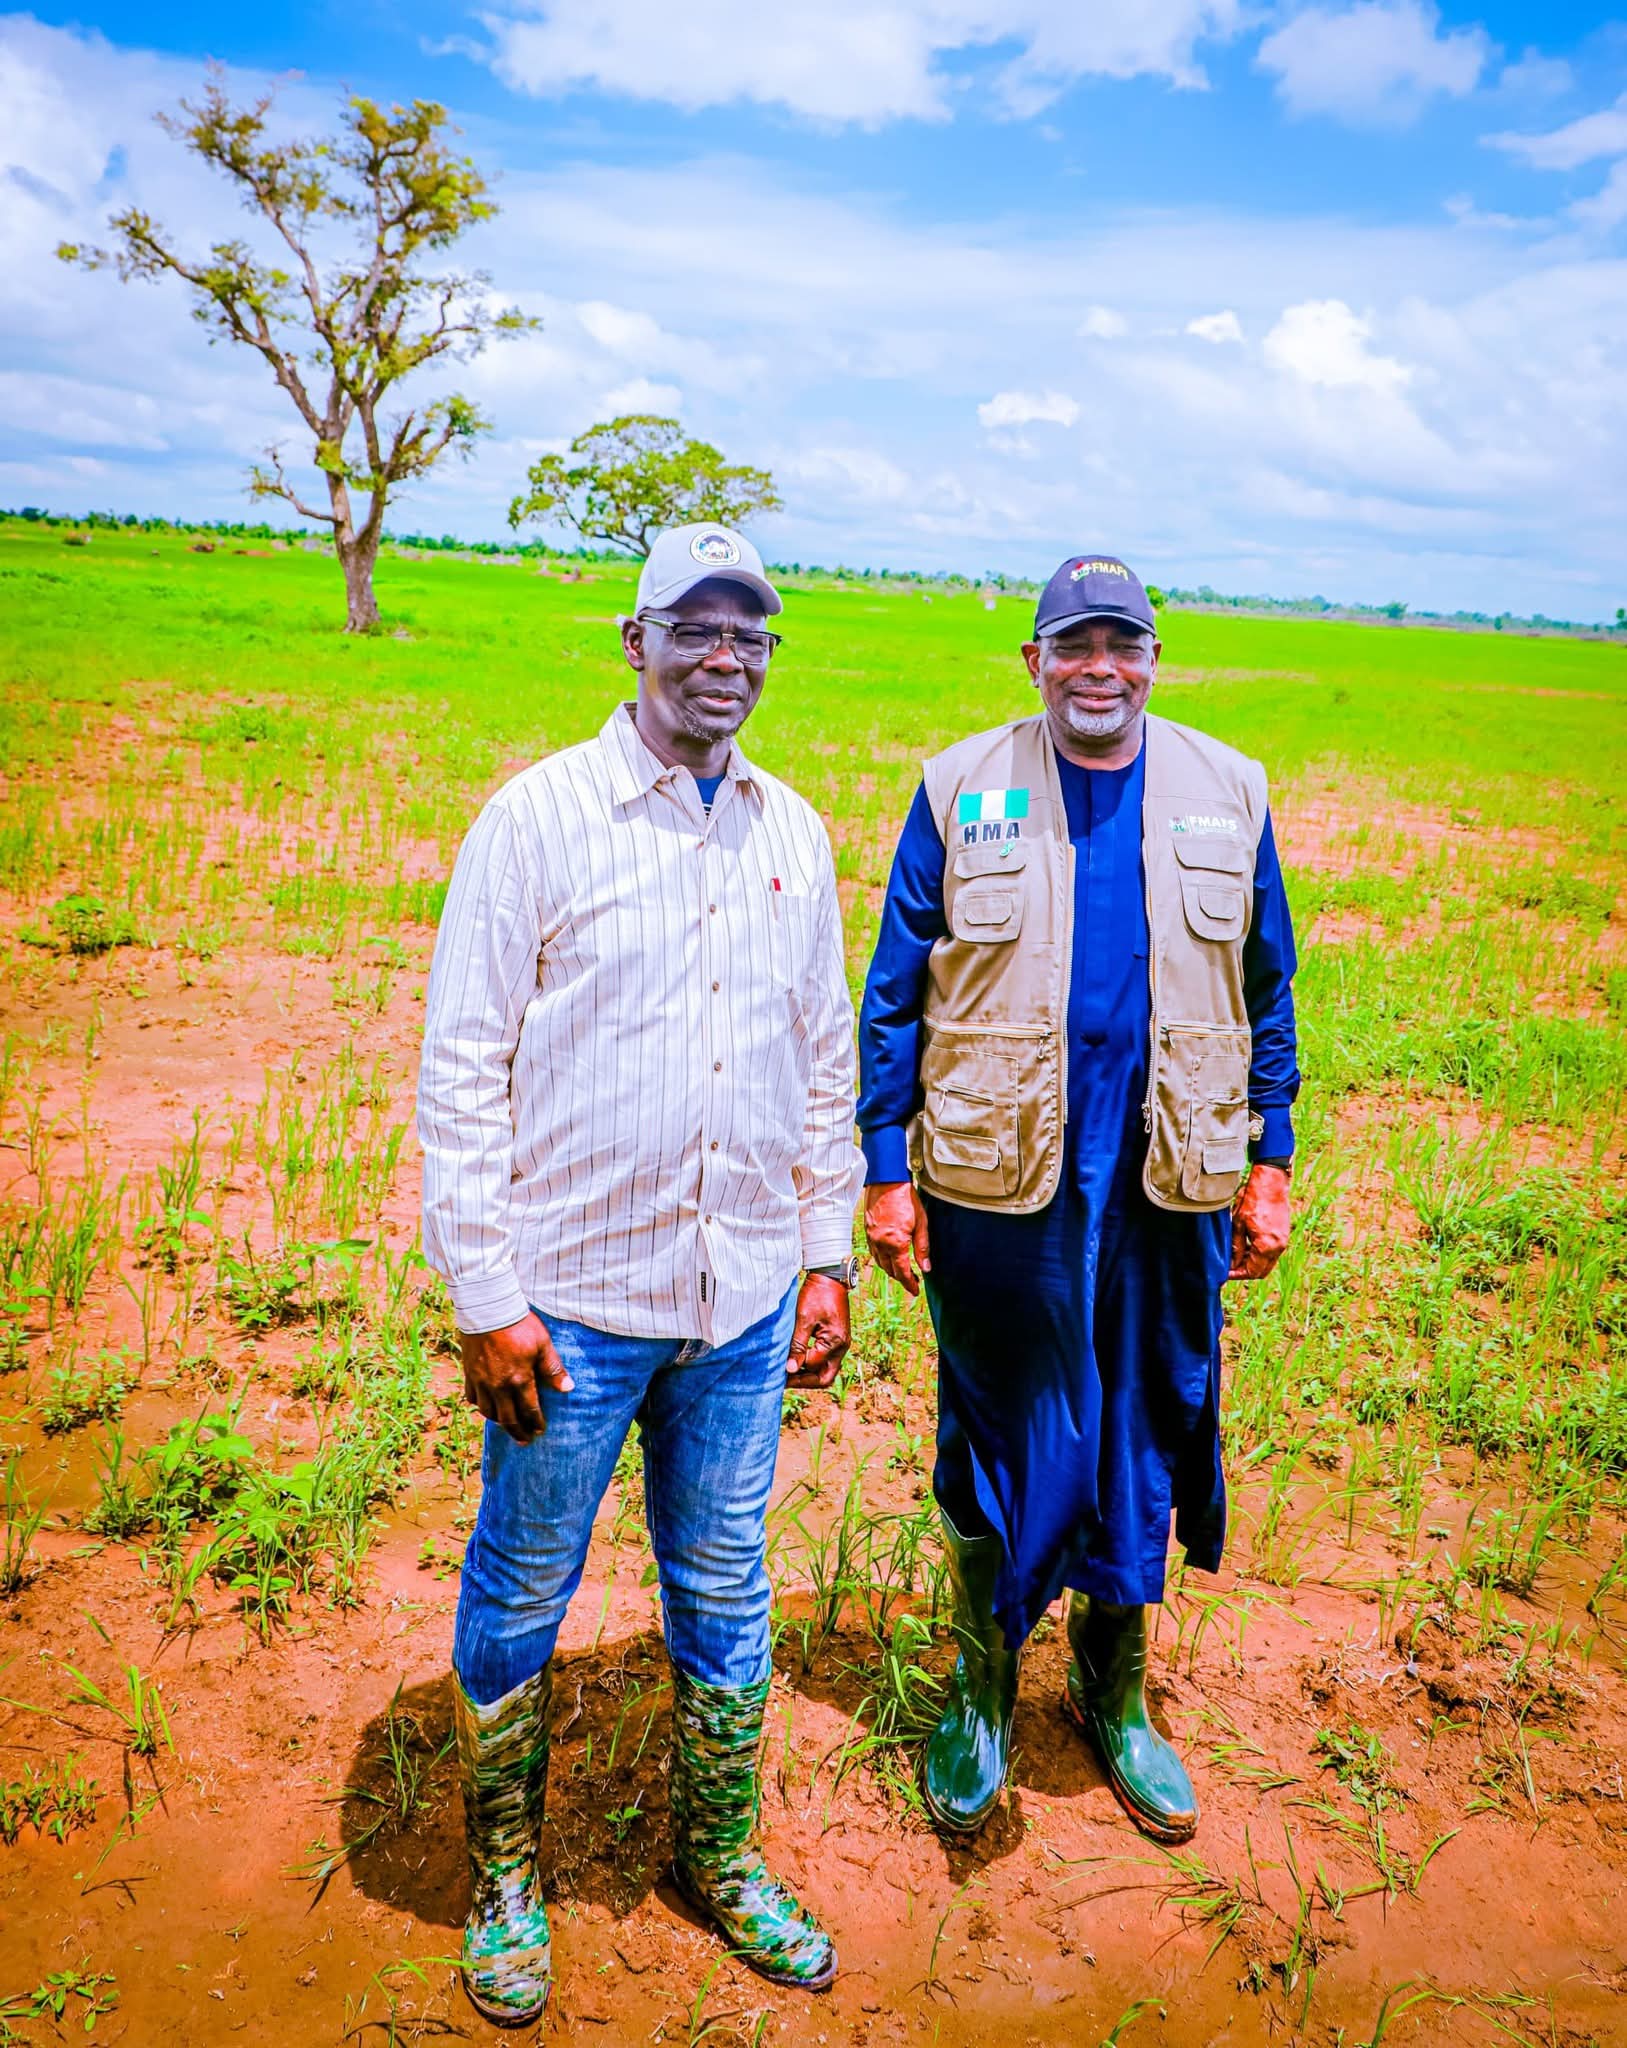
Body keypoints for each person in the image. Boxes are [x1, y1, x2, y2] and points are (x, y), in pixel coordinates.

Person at [418, 522, 863, 2023]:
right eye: (698, 627)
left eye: (751, 633)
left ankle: (719, 1858)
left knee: (726, 1582)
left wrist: (821, 1255)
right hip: (572, 1311)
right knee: (525, 1582)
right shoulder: (536, 821)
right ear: (636, 641)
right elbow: (462, 1070)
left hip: (737, 1303)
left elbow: (822, 1067)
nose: (725, 657)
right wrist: (485, 1295)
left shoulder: (792, 832)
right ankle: (504, 1878)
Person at [858, 553, 1299, 1843]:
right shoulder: (960, 787)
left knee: (1151, 1421)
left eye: (1123, 643)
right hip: (1004, 1179)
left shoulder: (1229, 790)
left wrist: (1269, 1161)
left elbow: (1268, 989)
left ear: (1154, 659)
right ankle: (984, 1687)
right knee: (993, 1421)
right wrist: (889, 1173)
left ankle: (1118, 1698)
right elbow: (893, 997)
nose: (1098, 667)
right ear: (1035, 662)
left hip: (1170, 1178)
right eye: (1073, 644)